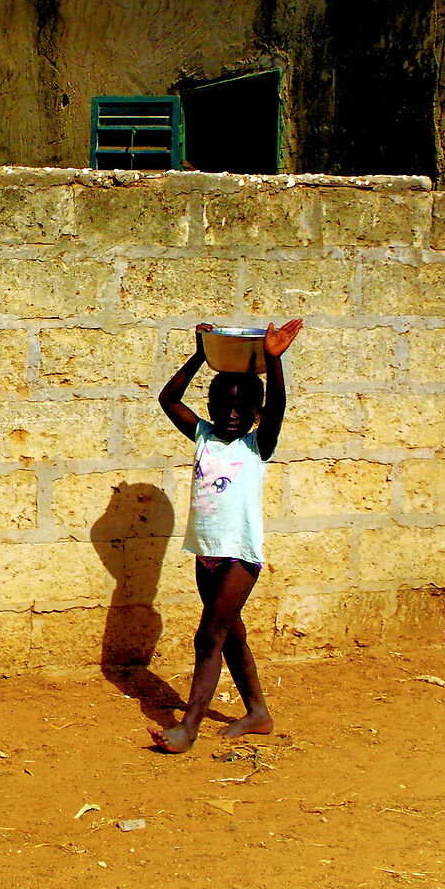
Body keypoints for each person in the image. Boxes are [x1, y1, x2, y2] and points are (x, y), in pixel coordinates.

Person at [149, 318, 303, 754]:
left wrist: (273, 363)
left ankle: (188, 728)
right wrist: (203, 352)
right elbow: (168, 398)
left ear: (255, 415)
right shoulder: (202, 436)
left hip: (239, 556)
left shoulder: (257, 445)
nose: (231, 414)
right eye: (223, 405)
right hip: (206, 553)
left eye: (242, 409)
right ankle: (258, 713)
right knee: (230, 634)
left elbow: (277, 409)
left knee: (208, 636)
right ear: (212, 407)